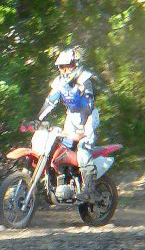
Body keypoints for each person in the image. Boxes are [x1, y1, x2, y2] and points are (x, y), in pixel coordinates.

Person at [37, 45, 100, 202]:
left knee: (84, 151)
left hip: (88, 118)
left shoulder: (85, 79)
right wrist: (38, 120)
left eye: (68, 66)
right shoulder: (59, 82)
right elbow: (50, 102)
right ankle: (63, 183)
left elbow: (88, 105)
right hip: (71, 117)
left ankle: (90, 191)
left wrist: (81, 128)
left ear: (76, 64)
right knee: (61, 149)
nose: (65, 70)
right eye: (61, 67)